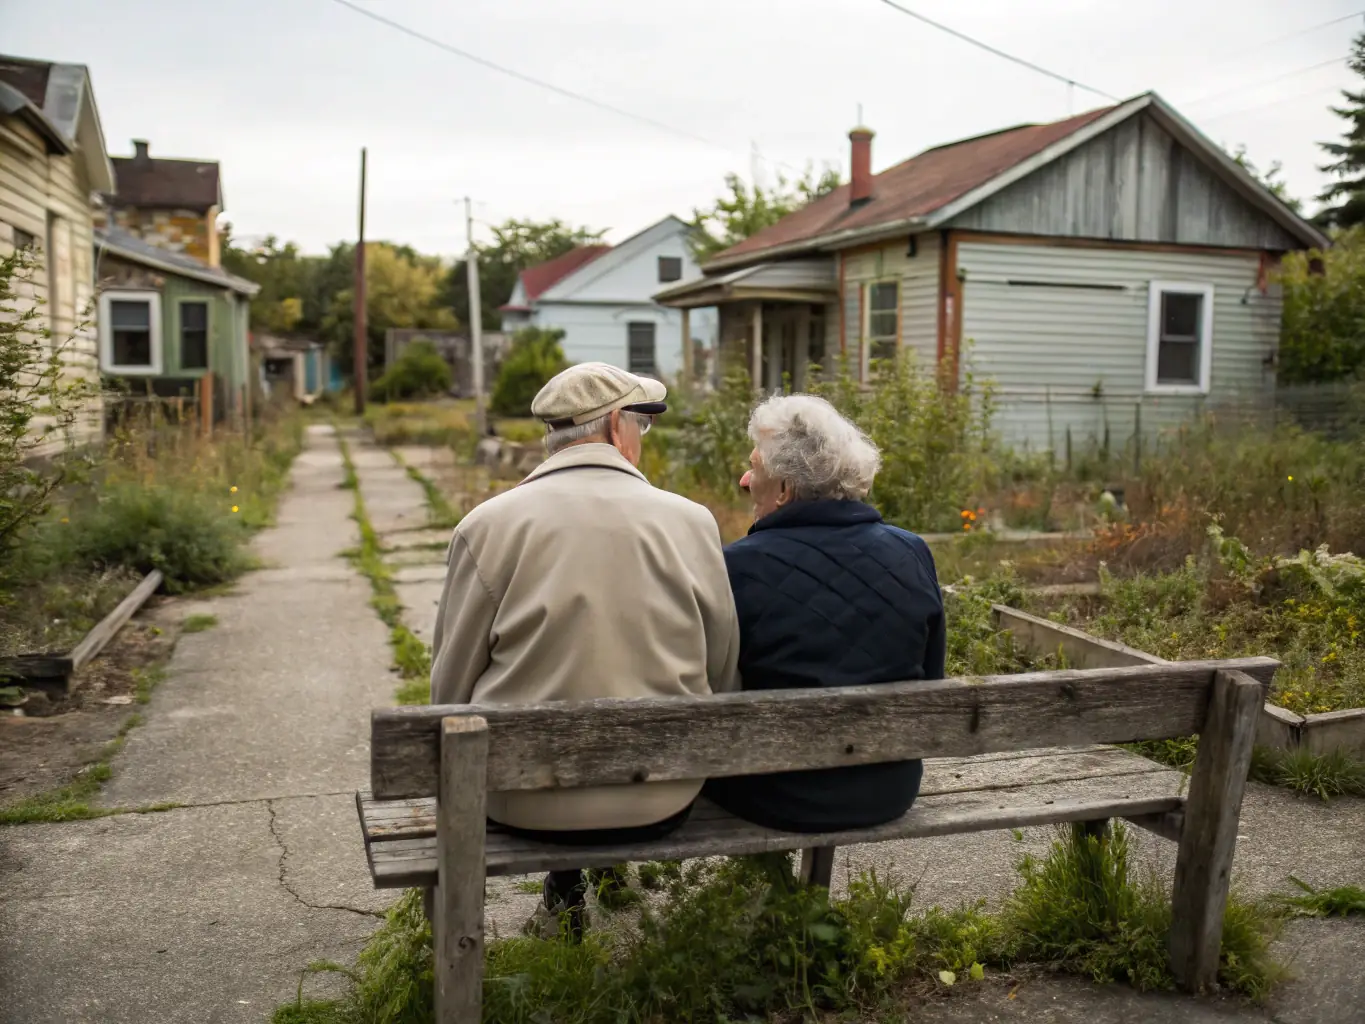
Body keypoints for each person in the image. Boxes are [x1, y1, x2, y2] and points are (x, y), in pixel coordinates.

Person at [430, 361, 740, 936]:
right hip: (663, 794)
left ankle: (565, 892)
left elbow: (448, 690)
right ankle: (600, 880)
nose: (641, 440)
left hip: (523, 802)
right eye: (641, 426)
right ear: (618, 425)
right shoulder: (691, 522)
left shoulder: (486, 526)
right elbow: (722, 671)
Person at [703, 394, 945, 833]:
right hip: (890, 788)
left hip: (776, 795)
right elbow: (932, 678)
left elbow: (713, 690)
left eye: (754, 467)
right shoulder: (912, 552)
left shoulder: (736, 567)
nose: (743, 478)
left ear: (783, 490)